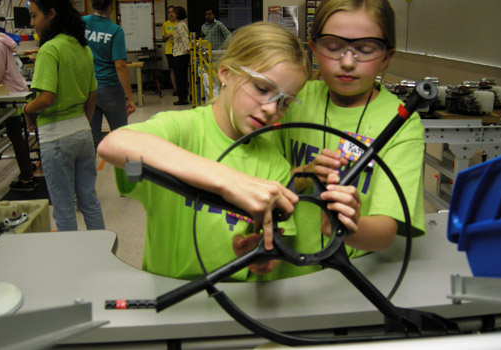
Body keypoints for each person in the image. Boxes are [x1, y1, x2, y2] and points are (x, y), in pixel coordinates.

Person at [98, 22, 316, 281]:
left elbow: (275, 243)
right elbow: (113, 144)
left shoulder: (273, 164)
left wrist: (263, 255)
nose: (271, 109)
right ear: (225, 72)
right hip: (171, 299)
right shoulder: (184, 129)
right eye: (261, 88)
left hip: (236, 303)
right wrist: (228, 180)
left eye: (283, 102)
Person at [270, 0, 426, 278]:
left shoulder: (401, 122)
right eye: (333, 47)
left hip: (348, 276)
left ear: (387, 56)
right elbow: (253, 179)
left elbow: (385, 231)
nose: (348, 62)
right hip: (276, 265)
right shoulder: (294, 99)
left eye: (365, 50)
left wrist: (349, 225)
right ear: (314, 47)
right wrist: (303, 175)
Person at [23, 0, 105, 231]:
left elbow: (47, 97)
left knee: (64, 206)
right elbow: (92, 95)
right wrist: (83, 124)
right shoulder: (83, 48)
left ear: (51, 14)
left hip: (56, 136)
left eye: (34, 16)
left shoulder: (50, 49)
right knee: (89, 200)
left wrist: (27, 109)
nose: (32, 23)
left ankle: (73, 262)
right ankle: (101, 253)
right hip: (81, 131)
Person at [0, 11, 36, 192]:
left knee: (15, 136)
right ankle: (28, 170)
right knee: (17, 135)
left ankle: (27, 176)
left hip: (11, 94)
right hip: (12, 92)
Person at [83, 0, 136, 152]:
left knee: (91, 137)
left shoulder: (82, 24)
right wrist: (130, 98)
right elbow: (120, 65)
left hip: (89, 87)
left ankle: (89, 175)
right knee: (121, 136)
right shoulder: (114, 30)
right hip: (110, 87)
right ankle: (129, 174)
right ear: (111, 6)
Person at [171, 6, 190, 106]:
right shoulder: (180, 24)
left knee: (180, 77)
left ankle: (182, 98)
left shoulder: (181, 25)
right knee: (181, 77)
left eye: (174, 12)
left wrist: (187, 50)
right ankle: (183, 97)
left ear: (178, 14)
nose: (172, 14)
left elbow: (185, 39)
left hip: (181, 54)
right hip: (180, 54)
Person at [161, 5, 177, 96]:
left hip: (178, 50)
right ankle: (175, 88)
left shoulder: (179, 23)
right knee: (172, 69)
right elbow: (163, 38)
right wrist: (168, 36)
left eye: (173, 12)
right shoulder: (165, 24)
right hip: (169, 49)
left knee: (179, 69)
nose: (171, 14)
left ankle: (180, 87)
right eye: (169, 12)